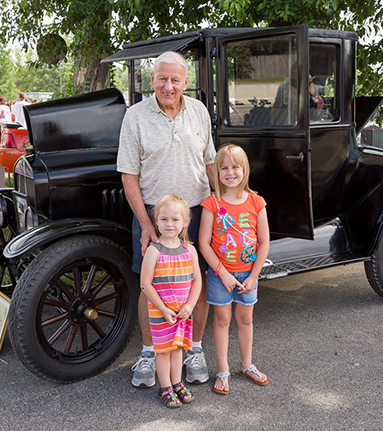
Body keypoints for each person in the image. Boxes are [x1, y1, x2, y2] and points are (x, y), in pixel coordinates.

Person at [117, 51, 216, 388]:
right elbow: (129, 175)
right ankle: (149, 351)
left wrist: (219, 209)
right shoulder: (135, 116)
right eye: (162, 78)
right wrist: (146, 225)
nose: (168, 86)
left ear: (185, 82)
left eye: (175, 80)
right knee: (151, 285)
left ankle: (194, 348)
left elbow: (210, 162)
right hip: (154, 216)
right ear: (152, 80)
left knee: (195, 281)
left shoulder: (199, 111)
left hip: (197, 211)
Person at [199, 144, 270, 395]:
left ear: (244, 170)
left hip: (248, 275)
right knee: (222, 319)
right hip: (221, 275)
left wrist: (254, 275)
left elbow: (263, 242)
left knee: (245, 319)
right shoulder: (212, 203)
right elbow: (204, 244)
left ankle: (247, 364)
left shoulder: (256, 202)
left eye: (235, 167)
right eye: (224, 168)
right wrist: (222, 272)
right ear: (216, 172)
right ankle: (223, 369)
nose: (230, 172)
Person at [140, 194, 202, 408]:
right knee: (163, 350)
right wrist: (163, 309)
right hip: (161, 312)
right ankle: (165, 386)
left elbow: (197, 280)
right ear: (156, 221)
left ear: (185, 222)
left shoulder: (189, 250)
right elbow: (145, 284)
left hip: (183, 311)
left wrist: (190, 305)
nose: (169, 224)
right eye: (164, 219)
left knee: (177, 349)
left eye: (175, 220)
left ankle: (177, 382)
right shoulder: (153, 251)